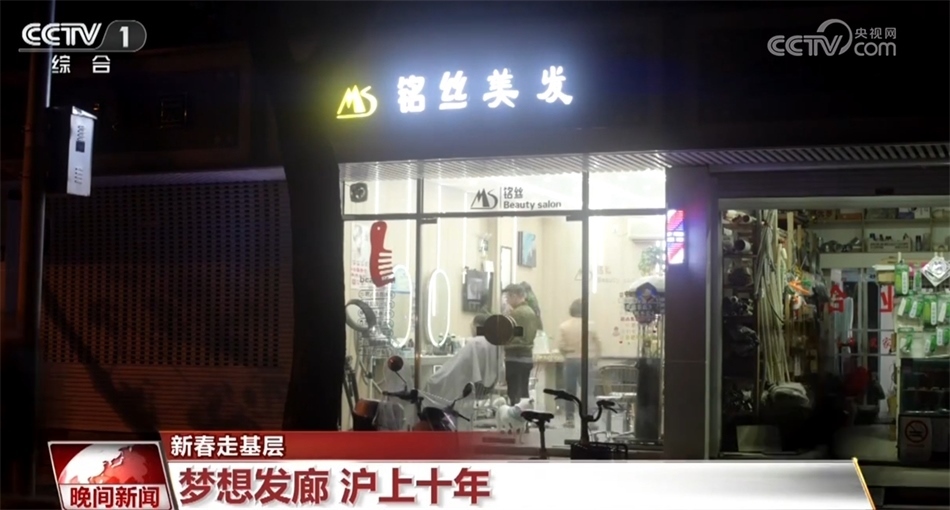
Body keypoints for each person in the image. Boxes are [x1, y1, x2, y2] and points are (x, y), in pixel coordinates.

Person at [424, 314, 501, 404]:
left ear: (476, 326)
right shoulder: (494, 343)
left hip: (469, 387)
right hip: (485, 388)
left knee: (432, 381)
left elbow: (454, 367)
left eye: (472, 326)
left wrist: (434, 379)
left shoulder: (475, 343)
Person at [558, 298, 601, 427]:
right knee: (588, 392)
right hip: (587, 360)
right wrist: (596, 358)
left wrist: (568, 352)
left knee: (569, 391)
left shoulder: (564, 326)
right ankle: (590, 419)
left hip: (570, 360)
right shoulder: (590, 325)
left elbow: (561, 346)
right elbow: (598, 344)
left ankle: (569, 419)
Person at [502, 283, 540, 405]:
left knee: (514, 394)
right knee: (523, 392)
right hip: (526, 357)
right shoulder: (530, 311)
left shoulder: (516, 314)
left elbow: (509, 334)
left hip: (515, 358)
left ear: (514, 296)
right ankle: (524, 415)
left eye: (508, 297)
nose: (507, 300)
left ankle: (515, 415)